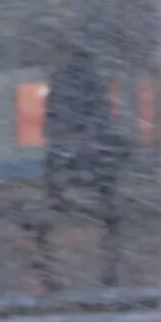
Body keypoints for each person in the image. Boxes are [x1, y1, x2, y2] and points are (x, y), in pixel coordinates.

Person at [44, 47, 125, 211]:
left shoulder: (67, 80)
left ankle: (57, 199)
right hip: (84, 133)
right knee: (98, 167)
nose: (55, 60)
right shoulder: (88, 80)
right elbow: (100, 108)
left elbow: (57, 109)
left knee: (59, 164)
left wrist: (59, 129)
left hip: (77, 133)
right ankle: (106, 203)